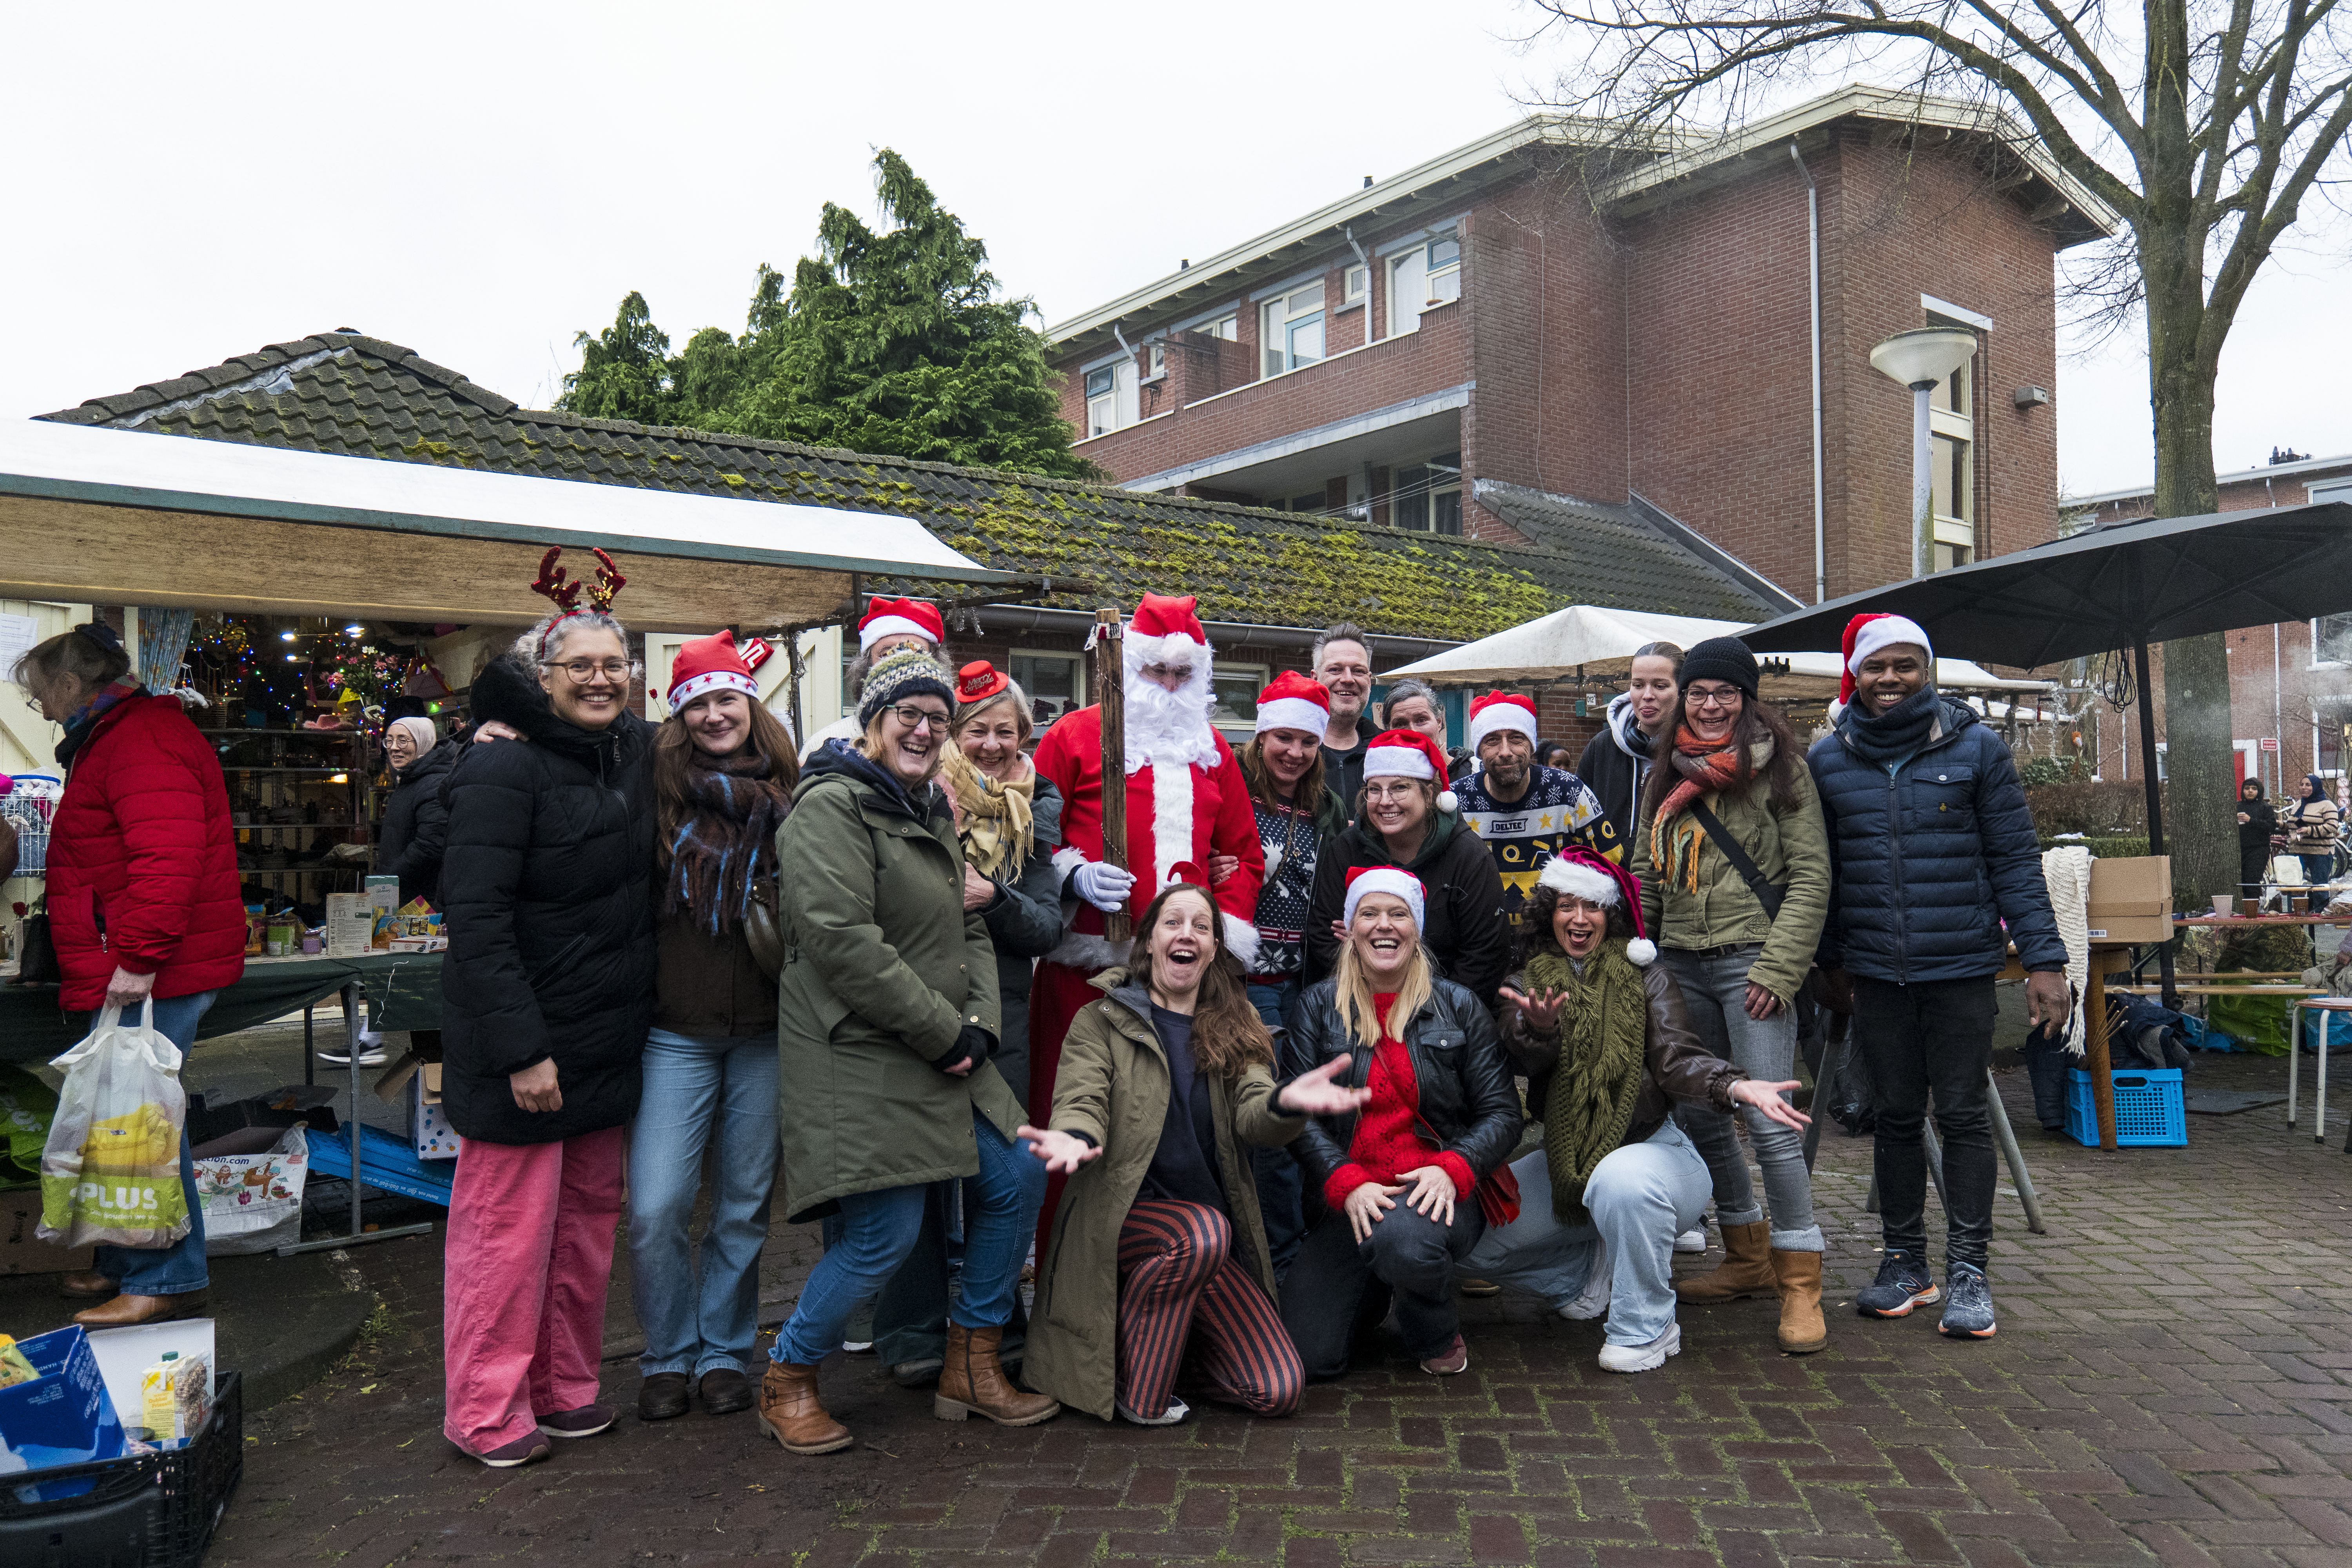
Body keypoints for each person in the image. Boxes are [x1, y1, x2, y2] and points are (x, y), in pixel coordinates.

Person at [762, 648, 1055, 1455]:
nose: (925, 730)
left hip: (942, 1042)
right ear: (873, 722)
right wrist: (946, 1032)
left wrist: (981, 1028)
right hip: (858, 1047)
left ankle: (973, 1358)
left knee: (1017, 1172)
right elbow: (839, 941)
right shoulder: (830, 807)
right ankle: (788, 1374)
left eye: (937, 718)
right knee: (883, 1236)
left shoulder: (930, 804)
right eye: (909, 715)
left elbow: (967, 920)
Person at [438, 568, 657, 1468]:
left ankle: (564, 1388)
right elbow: (477, 921)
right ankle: (485, 1410)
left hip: (605, 1044)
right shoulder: (501, 763)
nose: (601, 678)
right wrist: (523, 1049)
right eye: (581, 665)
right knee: (505, 1241)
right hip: (525, 1051)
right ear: (543, 674)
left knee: (580, 1237)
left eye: (616, 663)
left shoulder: (632, 752)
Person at [1018, 877, 1370, 1424]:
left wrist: (1286, 1103)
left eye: (1202, 927)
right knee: (1200, 1232)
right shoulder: (1100, 1021)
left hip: (1207, 1242)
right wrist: (1077, 1134)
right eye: (1173, 923)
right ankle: (1139, 1389)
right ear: (1150, 942)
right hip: (1122, 1223)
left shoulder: (1240, 1025)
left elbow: (1256, 1113)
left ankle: (1166, 1351)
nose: (1188, 934)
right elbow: (1081, 1097)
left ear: (1213, 950)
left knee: (1278, 1389)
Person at [1808, 613, 2071, 1341]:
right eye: (1875, 667)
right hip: (1876, 975)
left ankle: (1970, 1270)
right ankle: (1905, 1264)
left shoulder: (1978, 749)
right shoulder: (1829, 762)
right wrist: (1828, 961)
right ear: (1854, 676)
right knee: (1894, 1116)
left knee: (1959, 1114)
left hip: (1958, 967)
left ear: (1927, 671)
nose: (1889, 680)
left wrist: (2045, 960)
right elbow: (1821, 875)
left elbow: (2016, 862)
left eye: (1905, 666)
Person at [1469, 850, 1811, 1372]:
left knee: (1622, 1180)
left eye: (1592, 907)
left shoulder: (1646, 976)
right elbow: (1524, 1053)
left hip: (1653, 1153)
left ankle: (1647, 1326)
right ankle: (1586, 1276)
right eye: (1566, 906)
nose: (1579, 919)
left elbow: (1679, 1059)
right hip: (1568, 1156)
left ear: (1611, 916)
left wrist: (1737, 1087)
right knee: (1467, 1238)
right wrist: (1540, 1028)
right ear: (1549, 913)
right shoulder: (1526, 980)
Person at [15, 622, 243, 1330]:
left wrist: (138, 957)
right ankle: (127, 1261)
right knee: (124, 1118)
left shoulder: (138, 739)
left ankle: (169, 1274)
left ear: (71, 684)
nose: (42, 711)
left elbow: (166, 860)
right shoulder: (117, 736)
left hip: (150, 964)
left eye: (39, 698)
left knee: (141, 1123)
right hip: (137, 958)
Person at [1029, 593, 1266, 1264]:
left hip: (1186, 979)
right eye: (1156, 671)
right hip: (1088, 972)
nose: (1167, 686)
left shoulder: (1215, 750)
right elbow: (1029, 843)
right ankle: (1067, 1285)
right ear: (1128, 669)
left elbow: (1244, 855)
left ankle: (1177, 1280)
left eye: (1181, 675)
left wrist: (1218, 921)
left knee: (1179, 1129)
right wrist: (1071, 876)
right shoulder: (1073, 736)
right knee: (1075, 1124)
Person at [1630, 636, 1832, 1356]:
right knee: (1704, 1113)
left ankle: (1800, 1278)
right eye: (1699, 692)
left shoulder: (1785, 773)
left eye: (1726, 693)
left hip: (1754, 963)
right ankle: (1746, 1255)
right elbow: (1646, 874)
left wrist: (1778, 971)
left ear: (1748, 701)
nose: (1711, 704)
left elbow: (1811, 877)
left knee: (1774, 1120)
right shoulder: (1666, 776)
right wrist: (1641, 964)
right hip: (1681, 963)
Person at [867, 659, 1065, 1389]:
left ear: (1024, 736)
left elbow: (1045, 926)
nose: (989, 744)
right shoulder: (913, 793)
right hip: (912, 1011)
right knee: (913, 1178)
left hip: (1002, 1018)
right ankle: (912, 1330)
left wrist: (992, 898)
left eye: (1004, 732)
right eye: (975, 730)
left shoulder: (1035, 809)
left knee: (1003, 1180)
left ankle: (993, 1323)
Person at [629, 631, 798, 1424]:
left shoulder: (792, 791)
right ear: (680, 715)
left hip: (765, 1028)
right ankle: (667, 1352)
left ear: (749, 704)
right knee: (658, 1203)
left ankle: (726, 1348)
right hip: (676, 1029)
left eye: (725, 697)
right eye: (696, 702)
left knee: (741, 1202)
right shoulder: (655, 791)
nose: (713, 713)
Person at [1281, 867, 1524, 1378]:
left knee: (1404, 1243)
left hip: (1434, 1190)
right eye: (1369, 913)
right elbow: (1297, 1117)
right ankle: (1378, 1284)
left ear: (1417, 928)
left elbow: (1503, 1113)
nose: (1383, 925)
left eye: (1398, 914)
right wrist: (1344, 1182)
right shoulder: (1317, 1007)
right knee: (1310, 1359)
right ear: (1349, 927)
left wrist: (1456, 1165)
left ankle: (1435, 1334)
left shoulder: (1459, 1006)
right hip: (1354, 1198)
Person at [1232, 671, 1350, 1276]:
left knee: (1298, 1121)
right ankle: (1275, 1263)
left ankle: (1288, 1251)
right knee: (1271, 1119)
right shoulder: (1232, 793)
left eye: (1307, 743)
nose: (1295, 753)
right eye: (1283, 738)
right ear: (1261, 738)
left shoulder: (1324, 809)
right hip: (1242, 982)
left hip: (1299, 982)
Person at [1305, 731, 1510, 1011]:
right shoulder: (1346, 850)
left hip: (1445, 1012)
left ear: (1429, 793)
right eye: (1374, 789)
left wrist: (1432, 1012)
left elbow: (1484, 954)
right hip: (1361, 1004)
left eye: (1400, 788)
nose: (1385, 801)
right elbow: (1324, 933)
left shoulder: (1468, 857)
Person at [1449, 691, 1614, 944]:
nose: (1505, 751)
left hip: (1557, 946)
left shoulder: (1569, 792)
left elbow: (1612, 871)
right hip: (1478, 944)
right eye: (1492, 740)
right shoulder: (1456, 801)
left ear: (1532, 745)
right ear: (1479, 749)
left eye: (1516, 738)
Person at [798, 597, 947, 761]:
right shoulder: (824, 745)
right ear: (867, 667)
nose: (899, 663)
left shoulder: (944, 747)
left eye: (915, 653)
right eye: (886, 654)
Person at [1576, 641, 1683, 861]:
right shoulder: (1602, 747)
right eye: (1638, 684)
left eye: (1660, 686)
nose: (1647, 695)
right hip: (1607, 881)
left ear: (1682, 691)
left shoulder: (1696, 751)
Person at [377, 715, 453, 907]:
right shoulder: (410, 779)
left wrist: (389, 877)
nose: (394, 748)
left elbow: (431, 845)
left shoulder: (434, 783)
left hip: (422, 899)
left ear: (423, 743)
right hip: (404, 892)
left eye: (403, 740)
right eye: (389, 740)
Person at [1312, 624, 1377, 809]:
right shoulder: (1291, 755)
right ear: (1315, 679)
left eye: (1359, 671)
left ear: (1369, 681)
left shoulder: (1389, 751)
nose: (1348, 679)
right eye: (1335, 670)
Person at [1381, 679, 1473, 782]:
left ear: (1439, 722)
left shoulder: (1473, 774)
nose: (1413, 732)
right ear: (1388, 731)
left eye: (1421, 720)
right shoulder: (1381, 779)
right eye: (1400, 724)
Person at [2286, 773, 2343, 911]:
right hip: (2299, 851)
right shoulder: (2299, 804)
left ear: (2316, 787)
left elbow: (2331, 827)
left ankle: (2320, 914)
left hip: (2320, 852)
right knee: (2294, 884)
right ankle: (2298, 912)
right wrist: (2279, 825)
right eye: (2302, 784)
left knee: (2320, 886)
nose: (2304, 788)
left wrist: (2309, 831)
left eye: (2308, 785)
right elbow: (2293, 825)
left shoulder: (2327, 805)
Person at [2238, 776, 2278, 905]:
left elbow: (2271, 826)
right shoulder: (2237, 806)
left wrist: (2251, 820)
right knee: (2241, 881)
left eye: (2254, 789)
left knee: (2252, 881)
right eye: (2247, 788)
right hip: (2240, 849)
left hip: (2258, 849)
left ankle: (2253, 912)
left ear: (2259, 791)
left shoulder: (2265, 807)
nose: (2250, 791)